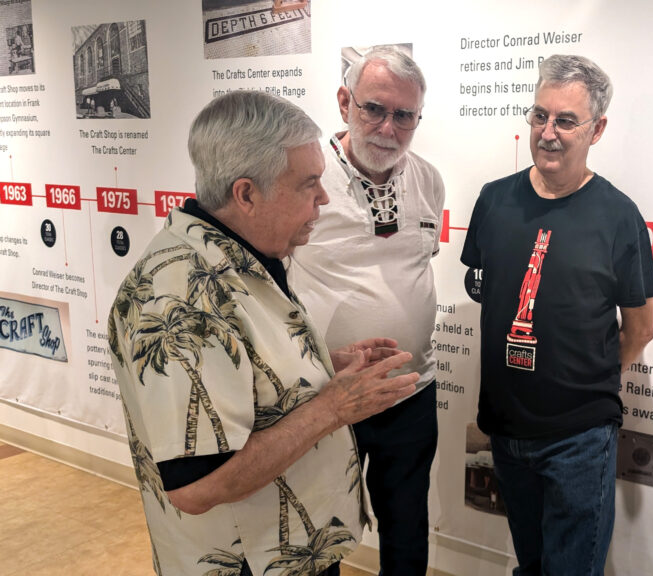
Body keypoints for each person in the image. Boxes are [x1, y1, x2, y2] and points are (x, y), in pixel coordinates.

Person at [108, 90, 419, 576]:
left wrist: (318, 363)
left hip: (293, 555)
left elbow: (239, 373)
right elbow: (198, 485)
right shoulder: (179, 297)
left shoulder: (243, 256)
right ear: (247, 194)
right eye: (309, 183)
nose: (323, 197)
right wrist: (336, 404)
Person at [461, 54, 653, 575]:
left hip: (579, 438)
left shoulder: (619, 216)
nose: (548, 133)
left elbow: (642, 328)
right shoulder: (493, 201)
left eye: (566, 121)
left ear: (597, 130)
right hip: (505, 431)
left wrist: (582, 381)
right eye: (539, 115)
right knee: (531, 567)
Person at [289, 45, 443, 576]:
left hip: (410, 390)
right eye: (373, 108)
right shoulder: (307, 182)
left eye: (405, 116)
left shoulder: (429, 180)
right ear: (344, 102)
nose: (388, 128)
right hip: (328, 393)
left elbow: (419, 266)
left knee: (407, 529)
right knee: (319, 530)